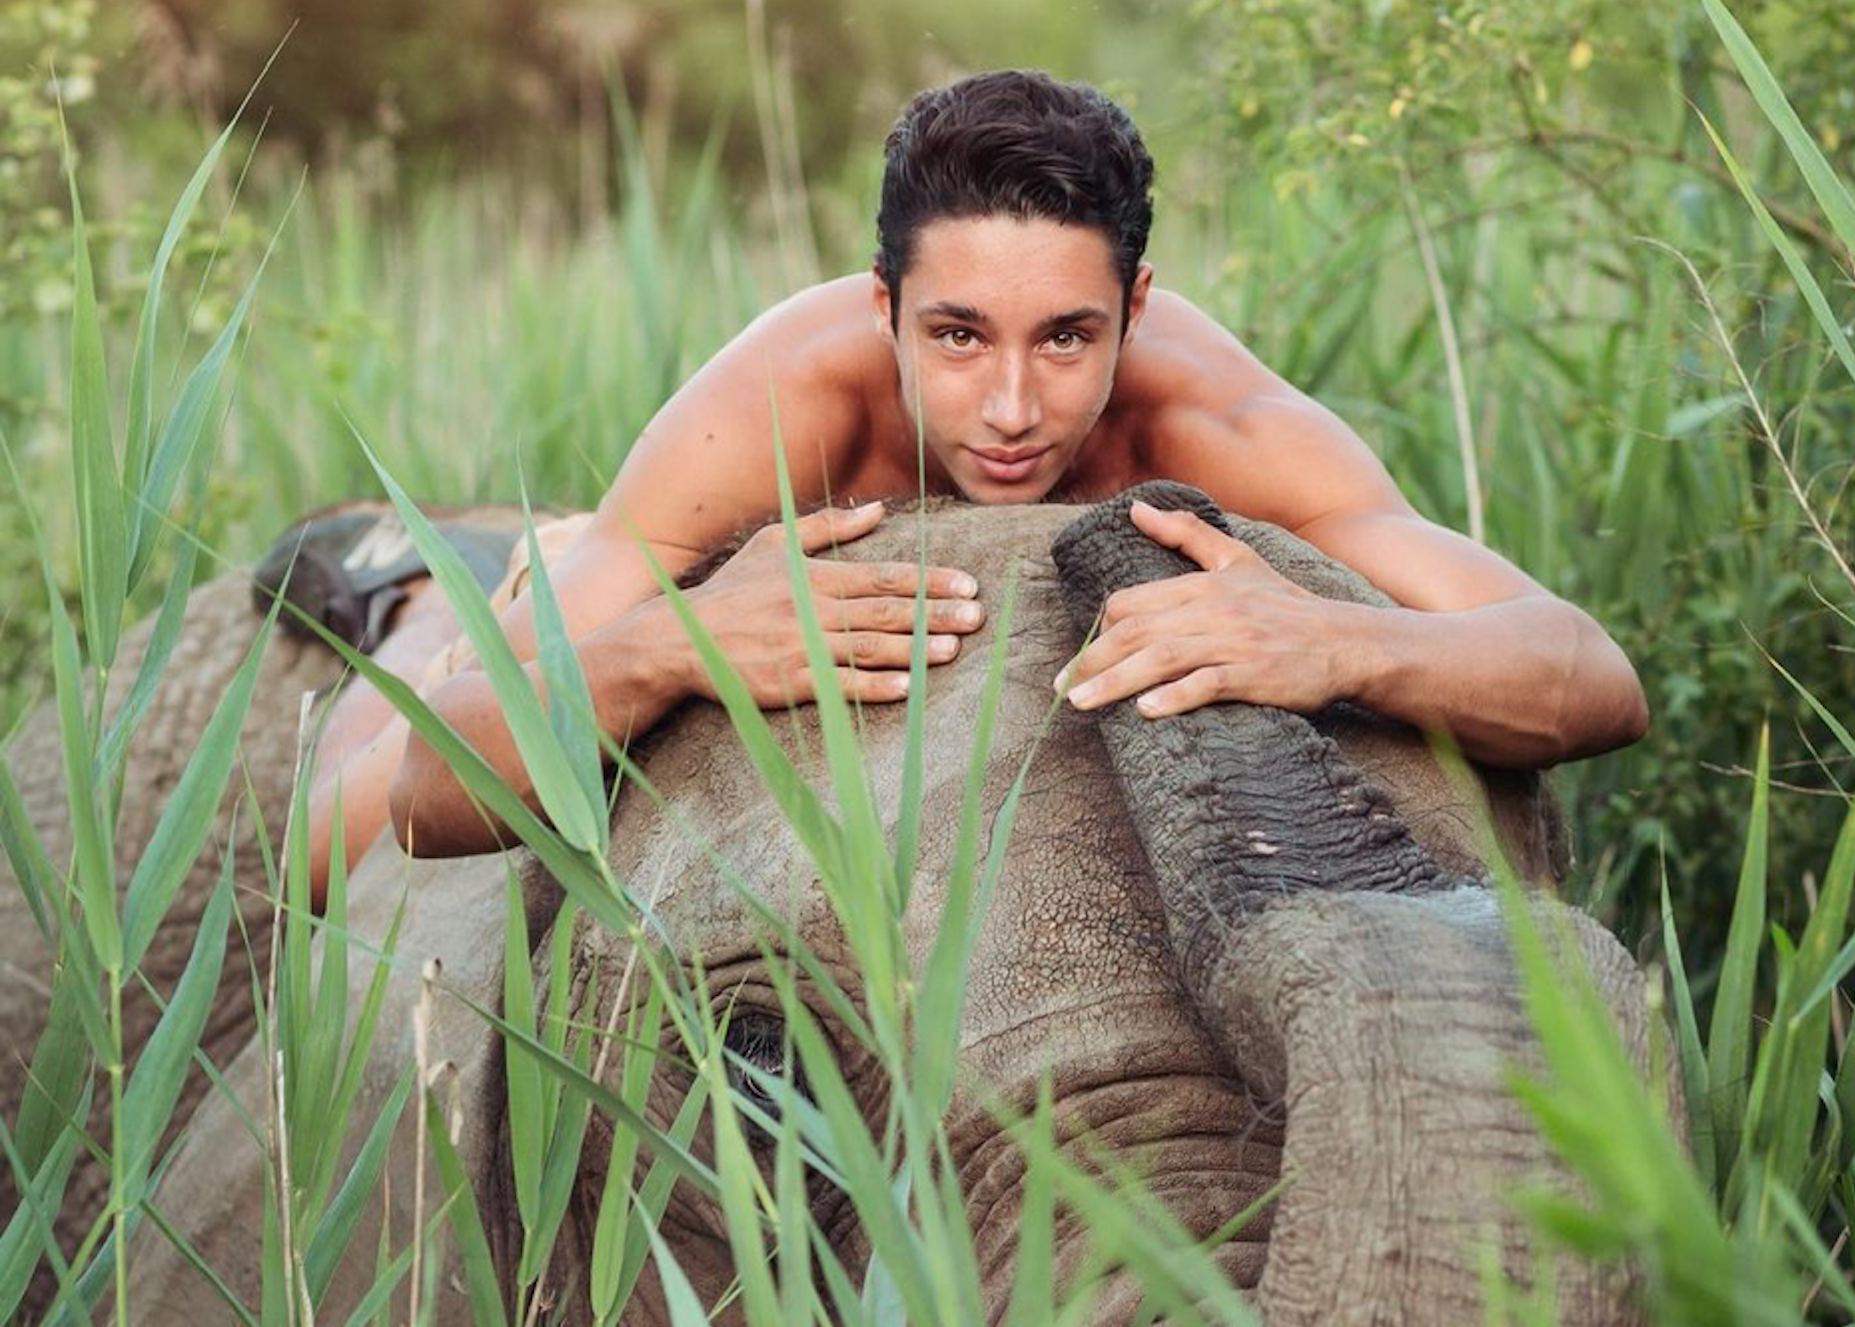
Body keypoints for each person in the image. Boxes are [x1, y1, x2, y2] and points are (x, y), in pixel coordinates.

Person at [302, 70, 1647, 906]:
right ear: (884, 308)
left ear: (1135, 305)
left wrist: (1341, 638)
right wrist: (665, 649)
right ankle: (466, 558)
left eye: (1067, 338)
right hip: (640, 539)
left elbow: (1586, 672)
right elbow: (338, 833)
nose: (1011, 409)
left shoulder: (1208, 412)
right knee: (546, 586)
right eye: (956, 337)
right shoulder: (782, 411)